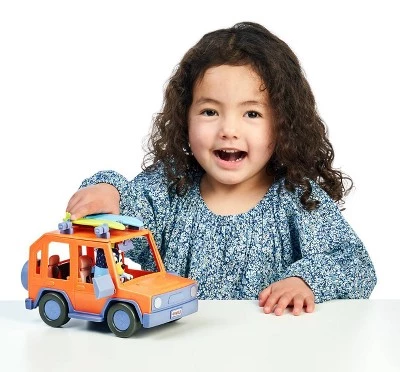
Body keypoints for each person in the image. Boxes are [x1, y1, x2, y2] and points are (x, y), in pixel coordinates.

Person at [66, 22, 377, 316]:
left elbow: (356, 265)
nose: (229, 130)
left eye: (252, 114)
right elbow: (125, 214)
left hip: (269, 348)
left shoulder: (297, 197)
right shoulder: (170, 188)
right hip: (178, 346)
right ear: (185, 117)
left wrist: (304, 281)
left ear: (283, 123)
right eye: (210, 111)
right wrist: (108, 189)